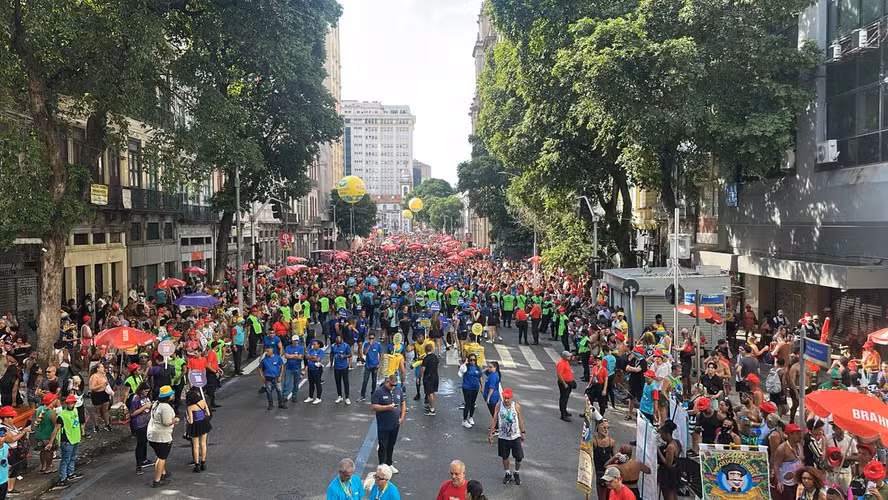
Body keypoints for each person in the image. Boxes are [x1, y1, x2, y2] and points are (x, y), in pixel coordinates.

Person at [487, 388, 525, 485]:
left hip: (515, 436)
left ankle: (516, 472)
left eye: (508, 398)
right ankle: (507, 473)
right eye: (505, 398)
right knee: (505, 456)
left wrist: (523, 431)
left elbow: (520, 419)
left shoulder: (516, 406)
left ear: (511, 397)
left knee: (519, 457)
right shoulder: (498, 406)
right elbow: (494, 420)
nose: (506, 400)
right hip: (503, 437)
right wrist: (491, 433)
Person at [372, 374, 405, 474]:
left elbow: (403, 403)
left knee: (391, 444)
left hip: (395, 424)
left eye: (395, 385)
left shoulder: (398, 390)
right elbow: (374, 407)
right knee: (383, 445)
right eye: (391, 385)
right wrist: (387, 407)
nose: (393, 387)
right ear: (387, 382)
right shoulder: (379, 392)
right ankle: (382, 465)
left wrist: (402, 417)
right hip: (383, 424)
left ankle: (389, 463)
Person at [47, 395, 81, 489]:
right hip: (67, 440)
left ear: (74, 403)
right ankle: (63, 478)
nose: (70, 405)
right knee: (65, 459)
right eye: (68, 403)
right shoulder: (62, 415)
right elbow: (56, 429)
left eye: (72, 403)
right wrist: (51, 442)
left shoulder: (75, 410)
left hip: (75, 438)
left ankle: (70, 473)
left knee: (72, 457)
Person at [147, 385, 177, 488]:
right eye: (172, 394)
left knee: (159, 454)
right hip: (162, 437)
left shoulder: (156, 403)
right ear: (169, 396)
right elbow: (167, 422)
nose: (173, 395)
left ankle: (163, 472)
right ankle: (157, 480)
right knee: (161, 458)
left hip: (152, 434)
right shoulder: (166, 407)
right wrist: (175, 420)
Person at [0, 405, 31, 494]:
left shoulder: (10, 426)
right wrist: (23, 432)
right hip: (9, 451)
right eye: (11, 417)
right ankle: (8, 488)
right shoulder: (3, 428)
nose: (13, 419)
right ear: (5, 418)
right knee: (10, 469)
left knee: (14, 469)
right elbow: (11, 439)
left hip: (15, 450)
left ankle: (10, 488)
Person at [772, 423, 804, 500]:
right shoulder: (782, 449)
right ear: (790, 434)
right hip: (785, 484)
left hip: (796, 481)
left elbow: (801, 461)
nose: (800, 436)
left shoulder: (799, 446)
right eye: (797, 433)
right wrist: (779, 482)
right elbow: (776, 465)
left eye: (800, 433)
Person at [128, 383, 153, 475]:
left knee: (144, 441)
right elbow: (133, 413)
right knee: (140, 443)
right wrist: (144, 407)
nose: (147, 393)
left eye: (148, 391)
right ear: (141, 390)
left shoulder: (147, 397)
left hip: (147, 422)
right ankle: (138, 465)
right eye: (145, 391)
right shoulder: (136, 398)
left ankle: (144, 459)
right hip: (139, 423)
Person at [186, 386, 212, 473]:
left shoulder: (190, 407)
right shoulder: (203, 402)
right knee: (203, 444)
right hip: (204, 423)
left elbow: (191, 421)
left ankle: (197, 465)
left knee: (196, 446)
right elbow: (208, 413)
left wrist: (187, 419)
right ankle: (203, 463)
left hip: (195, 426)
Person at [34, 393, 59, 475]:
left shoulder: (40, 409)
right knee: (49, 452)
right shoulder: (52, 412)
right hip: (48, 435)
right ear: (52, 401)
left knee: (42, 451)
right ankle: (48, 467)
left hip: (39, 435)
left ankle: (43, 466)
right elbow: (56, 425)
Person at [591, 419, 615, 500]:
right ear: (598, 427)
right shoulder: (593, 440)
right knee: (601, 496)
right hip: (599, 472)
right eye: (604, 427)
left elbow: (614, 458)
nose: (606, 430)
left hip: (608, 472)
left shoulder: (611, 441)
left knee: (609, 495)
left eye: (608, 428)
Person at [259, 345, 286, 410]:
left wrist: (280, 376)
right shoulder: (264, 360)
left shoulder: (277, 357)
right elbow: (259, 368)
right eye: (266, 351)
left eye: (268, 351)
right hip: (268, 378)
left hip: (276, 377)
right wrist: (262, 377)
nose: (266, 352)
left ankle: (281, 403)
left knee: (279, 391)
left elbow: (282, 366)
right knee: (269, 391)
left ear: (272, 351)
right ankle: (270, 404)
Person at [460, 353, 482, 428]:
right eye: (471, 360)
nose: (472, 361)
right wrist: (465, 362)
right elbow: (461, 371)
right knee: (468, 404)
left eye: (474, 360)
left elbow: (480, 377)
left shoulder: (477, 367)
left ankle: (471, 417)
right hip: (467, 388)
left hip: (475, 388)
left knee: (473, 403)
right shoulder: (465, 367)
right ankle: (464, 420)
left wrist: (482, 387)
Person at [360, 333, 382, 402]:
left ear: (374, 338)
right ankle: (362, 396)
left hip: (375, 366)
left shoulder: (378, 345)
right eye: (370, 338)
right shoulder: (366, 344)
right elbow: (365, 353)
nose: (371, 340)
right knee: (365, 381)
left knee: (374, 381)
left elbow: (381, 354)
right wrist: (369, 345)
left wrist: (379, 363)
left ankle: (373, 394)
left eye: (372, 338)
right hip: (368, 366)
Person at [330, 334, 352, 405]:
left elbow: (350, 354)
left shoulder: (346, 346)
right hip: (337, 367)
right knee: (338, 382)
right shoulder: (333, 346)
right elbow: (331, 354)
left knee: (346, 382)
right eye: (337, 343)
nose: (338, 344)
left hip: (344, 367)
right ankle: (339, 396)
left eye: (339, 343)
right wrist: (331, 364)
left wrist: (344, 356)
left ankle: (347, 397)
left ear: (342, 341)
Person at [282, 335, 305, 403]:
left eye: (297, 340)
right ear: (292, 341)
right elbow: (286, 356)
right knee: (286, 383)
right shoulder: (288, 347)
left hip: (297, 368)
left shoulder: (301, 348)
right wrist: (295, 355)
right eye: (294, 341)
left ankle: (294, 395)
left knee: (296, 383)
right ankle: (285, 396)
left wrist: (291, 356)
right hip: (289, 368)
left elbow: (300, 357)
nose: (296, 342)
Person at [420, 344, 439, 416]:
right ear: (432, 349)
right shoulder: (435, 357)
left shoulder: (426, 358)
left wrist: (419, 377)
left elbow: (423, 369)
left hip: (428, 377)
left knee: (429, 393)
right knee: (433, 392)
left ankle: (432, 409)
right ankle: (431, 406)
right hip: (435, 376)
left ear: (425, 350)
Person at [556, 350, 575, 422]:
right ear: (564, 357)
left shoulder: (566, 362)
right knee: (563, 398)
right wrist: (564, 384)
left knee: (566, 397)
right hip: (564, 383)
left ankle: (565, 411)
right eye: (568, 356)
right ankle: (563, 414)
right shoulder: (561, 363)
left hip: (569, 382)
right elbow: (559, 375)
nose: (570, 357)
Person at [306, 338, 325, 404]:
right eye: (313, 344)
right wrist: (312, 357)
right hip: (310, 369)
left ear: (318, 345)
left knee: (317, 383)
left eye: (315, 344)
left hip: (317, 370)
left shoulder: (321, 352)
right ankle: (310, 396)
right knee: (311, 383)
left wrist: (310, 358)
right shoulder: (311, 350)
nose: (313, 345)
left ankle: (318, 397)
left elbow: (318, 359)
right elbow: (306, 357)